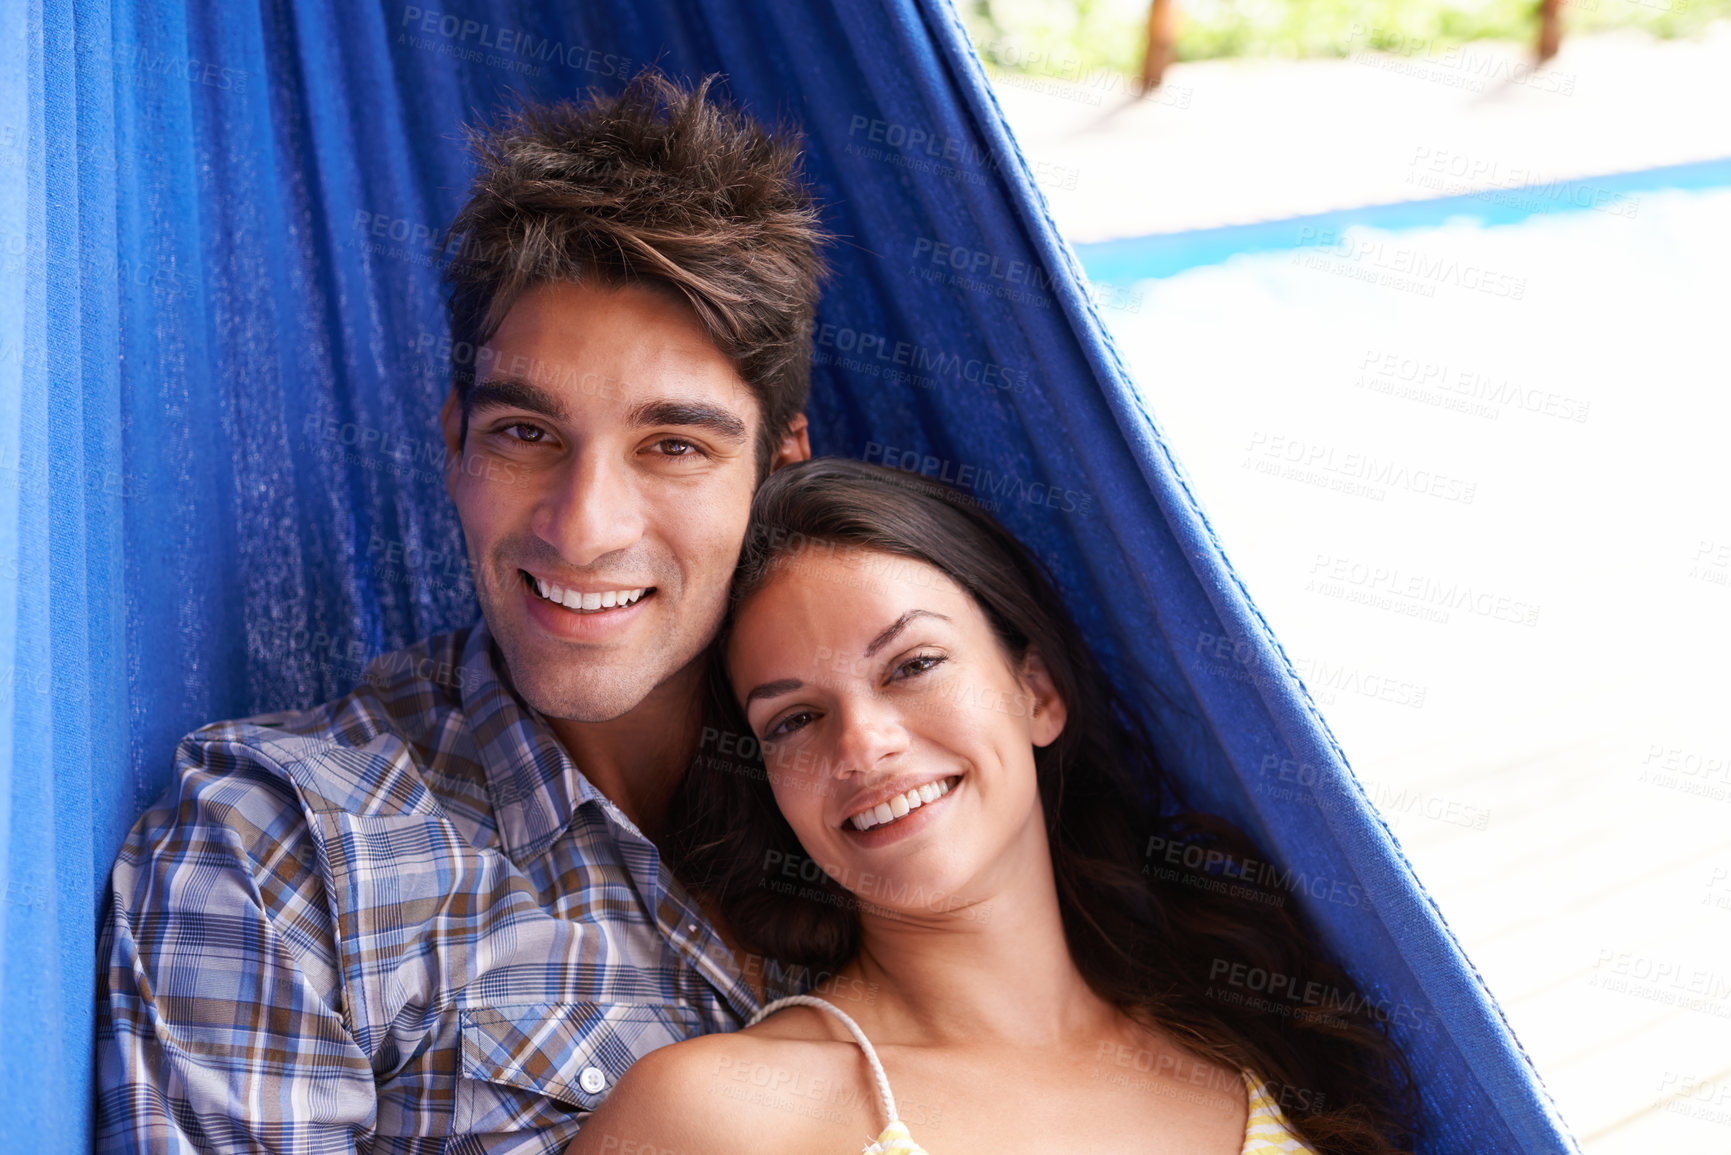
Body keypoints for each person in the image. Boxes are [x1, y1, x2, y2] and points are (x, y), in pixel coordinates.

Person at [94, 70, 830, 1153]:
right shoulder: (281, 853)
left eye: (673, 448)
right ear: (453, 445)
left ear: (775, 473)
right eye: (525, 435)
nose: (584, 530)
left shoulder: (894, 791)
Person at [568, 458, 1419, 1155]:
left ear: (1037, 690)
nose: (863, 744)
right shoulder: (723, 1114)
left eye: (912, 664)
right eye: (794, 718)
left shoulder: (1247, 1041)